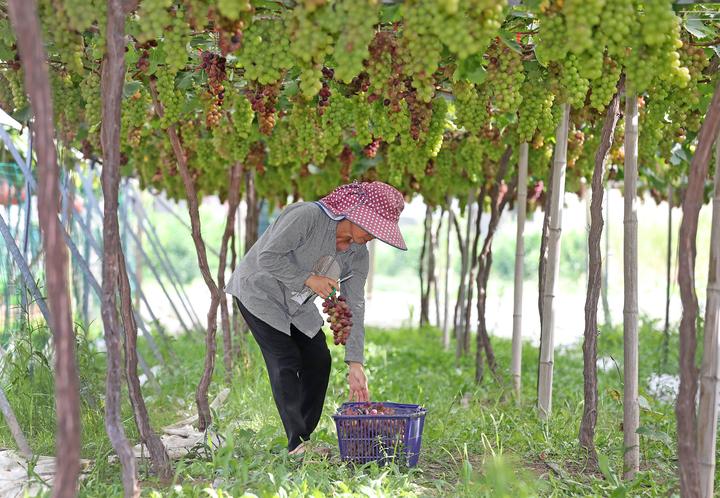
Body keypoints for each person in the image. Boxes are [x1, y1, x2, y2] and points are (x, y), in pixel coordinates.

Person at [225, 181, 407, 455]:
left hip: (297, 305)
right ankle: (297, 444)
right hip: (260, 293)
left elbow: (354, 305)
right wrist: (309, 279)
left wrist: (355, 362)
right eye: (373, 228)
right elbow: (268, 257)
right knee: (285, 359)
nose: (373, 237)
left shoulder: (358, 256)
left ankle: (302, 440)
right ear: (355, 213)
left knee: (319, 361)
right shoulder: (307, 216)